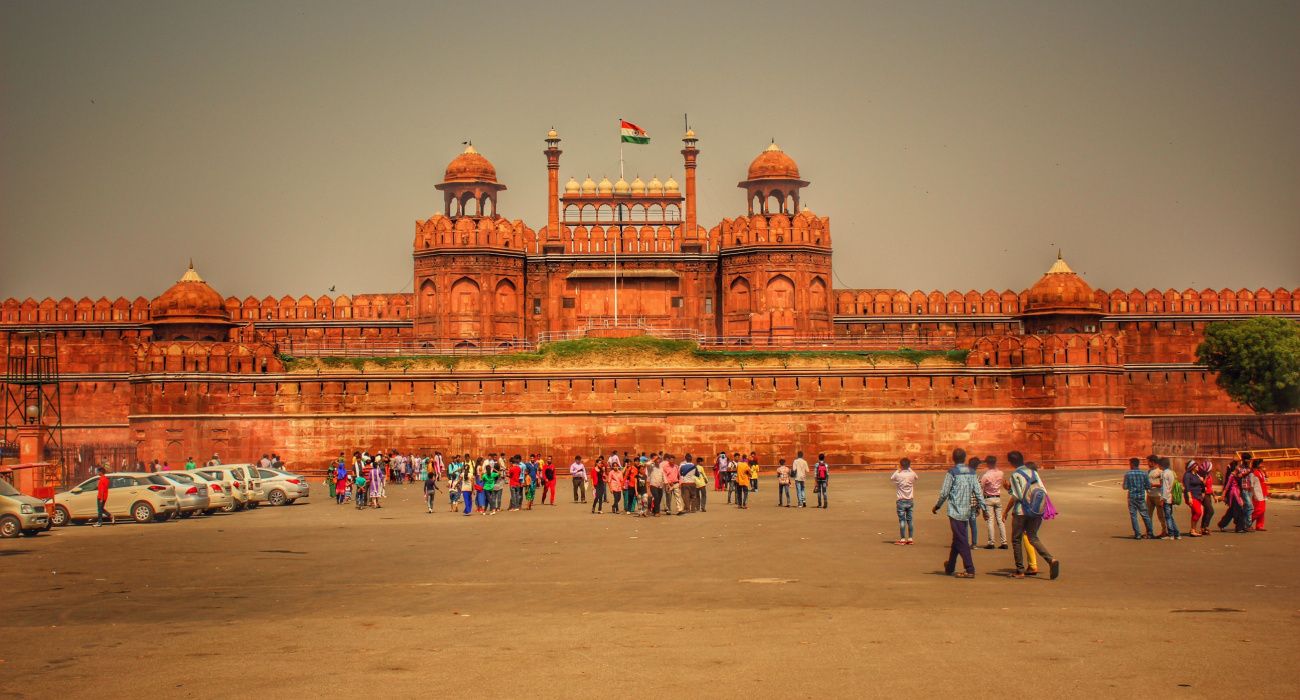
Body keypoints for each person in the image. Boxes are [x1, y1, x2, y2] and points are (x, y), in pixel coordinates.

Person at [1003, 454, 1061, 580]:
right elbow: (1043, 491)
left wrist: (1008, 489)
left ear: (1011, 462)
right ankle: (1051, 560)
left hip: (1021, 512)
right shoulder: (1034, 473)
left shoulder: (1015, 475)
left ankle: (1020, 570)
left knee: (1016, 539)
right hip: (1036, 510)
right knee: (1033, 537)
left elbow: (1017, 496)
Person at [932, 448, 984, 577]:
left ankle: (970, 569)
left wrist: (937, 506)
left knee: (961, 539)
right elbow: (978, 492)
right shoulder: (972, 472)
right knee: (957, 538)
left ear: (953, 458)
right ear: (965, 458)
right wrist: (984, 509)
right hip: (966, 511)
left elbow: (944, 492)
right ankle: (950, 566)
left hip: (955, 511)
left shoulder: (952, 472)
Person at [1122, 457, 1155, 539]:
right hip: (1141, 497)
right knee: (1145, 515)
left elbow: (1125, 487)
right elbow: (1148, 486)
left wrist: (1131, 486)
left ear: (1132, 464)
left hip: (1132, 497)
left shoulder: (1128, 474)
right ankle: (1150, 532)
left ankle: (1137, 534)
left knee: (1134, 516)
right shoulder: (1144, 474)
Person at [979, 456, 1007, 549]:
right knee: (1000, 520)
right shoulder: (1001, 473)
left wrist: (981, 503)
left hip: (988, 498)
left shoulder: (986, 476)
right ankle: (1004, 542)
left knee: (990, 521)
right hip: (997, 498)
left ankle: (991, 542)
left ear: (987, 464)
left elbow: (981, 488)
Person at [890, 458, 917, 545]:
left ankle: (902, 539)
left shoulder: (898, 475)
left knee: (902, 520)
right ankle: (910, 538)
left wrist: (898, 469)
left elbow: (892, 478)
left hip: (901, 500)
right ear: (909, 465)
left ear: (901, 465)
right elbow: (916, 477)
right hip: (910, 500)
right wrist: (909, 468)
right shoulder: (912, 474)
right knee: (910, 520)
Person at [1181, 460, 1206, 537]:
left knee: (1195, 513)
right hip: (1192, 496)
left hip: (1198, 496)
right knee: (1198, 512)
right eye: (1196, 466)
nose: (1198, 467)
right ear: (1193, 467)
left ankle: (1193, 530)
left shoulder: (1196, 475)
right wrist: (1190, 498)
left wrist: (1202, 481)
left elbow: (1202, 485)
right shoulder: (1187, 475)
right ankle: (1193, 529)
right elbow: (1187, 487)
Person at [1146, 455, 1168, 538]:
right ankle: (1149, 532)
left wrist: (1153, 485)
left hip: (1158, 496)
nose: (1147, 463)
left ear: (1153, 462)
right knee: (1148, 515)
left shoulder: (1160, 472)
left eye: (1148, 461)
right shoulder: (1148, 471)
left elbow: (1163, 484)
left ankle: (1164, 531)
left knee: (1161, 515)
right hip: (1150, 495)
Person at [1159, 457, 1181, 540]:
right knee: (1170, 516)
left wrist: (1163, 499)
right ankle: (1177, 534)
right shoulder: (1171, 473)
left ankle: (1171, 534)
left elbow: (1165, 488)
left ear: (1161, 465)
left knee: (1168, 517)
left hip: (1166, 498)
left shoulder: (1164, 474)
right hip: (1170, 497)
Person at [1249, 458, 1269, 531]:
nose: (1262, 465)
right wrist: (1253, 494)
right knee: (1259, 510)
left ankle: (1259, 525)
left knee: (1262, 511)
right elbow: (1251, 485)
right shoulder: (1253, 473)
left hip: (1263, 493)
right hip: (1257, 493)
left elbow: (1267, 480)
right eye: (1261, 463)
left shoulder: (1261, 472)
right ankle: (1248, 522)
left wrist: (1265, 472)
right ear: (1257, 465)